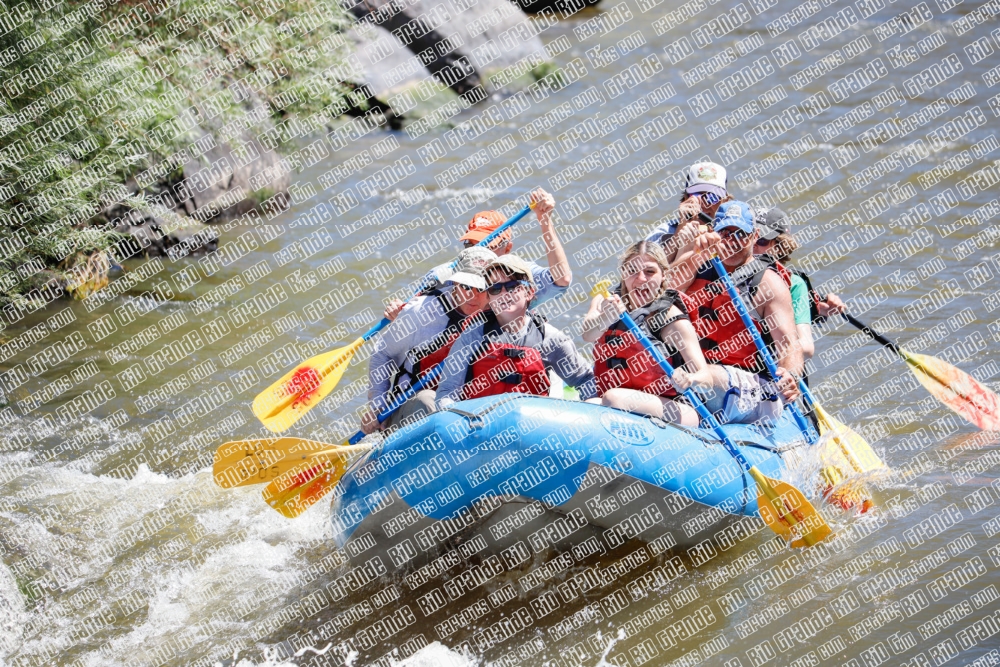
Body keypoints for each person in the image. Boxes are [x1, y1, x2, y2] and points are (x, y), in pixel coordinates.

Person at [673, 201, 802, 425]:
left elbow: (789, 344)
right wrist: (697, 255)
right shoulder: (697, 263)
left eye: (741, 234)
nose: (732, 242)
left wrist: (791, 375)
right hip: (693, 372)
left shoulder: (768, 283)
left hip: (749, 383)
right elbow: (660, 295)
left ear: (755, 235)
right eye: (725, 233)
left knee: (703, 375)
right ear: (713, 233)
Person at [381, 188, 571, 322]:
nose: (477, 251)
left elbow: (562, 278)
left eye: (487, 245)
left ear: (506, 250)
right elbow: (408, 315)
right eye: (470, 244)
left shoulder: (520, 275)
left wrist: (545, 220)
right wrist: (398, 314)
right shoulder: (440, 276)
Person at [581, 241, 718, 426]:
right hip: (618, 402)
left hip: (675, 409)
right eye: (632, 270)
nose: (641, 279)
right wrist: (605, 319)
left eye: (650, 271)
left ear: (664, 276)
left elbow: (706, 379)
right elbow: (588, 334)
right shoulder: (606, 301)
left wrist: (689, 379)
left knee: (613, 398)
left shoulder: (671, 318)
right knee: (590, 404)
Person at [435, 254, 596, 409]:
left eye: (512, 286)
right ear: (489, 298)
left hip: (531, 428)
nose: (504, 294)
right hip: (480, 425)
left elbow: (586, 380)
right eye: (495, 289)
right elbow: (448, 391)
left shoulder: (550, 338)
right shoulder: (472, 336)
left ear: (529, 292)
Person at [361, 247, 495, 433]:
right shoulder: (420, 311)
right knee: (429, 401)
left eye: (481, 288)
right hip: (414, 407)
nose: (472, 295)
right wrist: (377, 406)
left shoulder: (501, 315)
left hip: (465, 410)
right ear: (455, 283)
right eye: (466, 286)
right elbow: (382, 353)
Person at [753, 207, 846, 360]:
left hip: (771, 367)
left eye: (762, 240)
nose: (753, 245)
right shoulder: (721, 270)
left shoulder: (795, 284)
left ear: (780, 247)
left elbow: (807, 347)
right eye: (747, 236)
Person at [645, 162, 734, 266]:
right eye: (697, 195)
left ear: (725, 201)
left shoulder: (736, 231)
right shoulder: (664, 231)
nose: (704, 204)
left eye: (712, 197)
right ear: (685, 198)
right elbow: (648, 273)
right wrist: (681, 230)